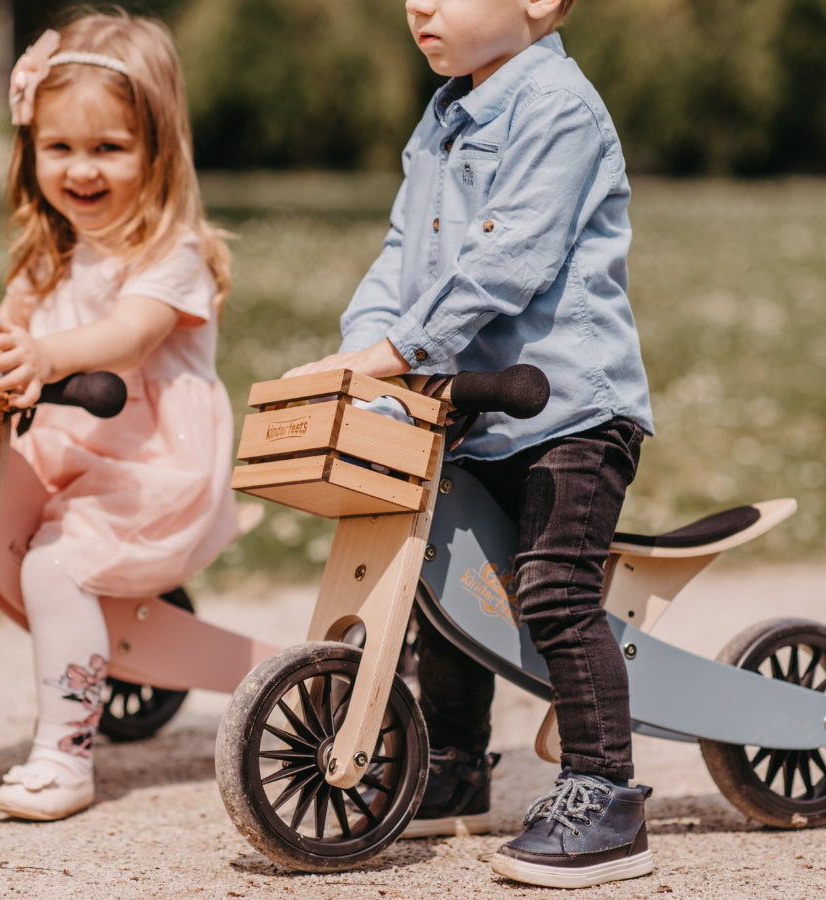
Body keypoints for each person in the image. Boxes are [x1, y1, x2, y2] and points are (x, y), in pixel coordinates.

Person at [284, 0, 655, 888]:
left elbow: (507, 256)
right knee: (440, 590)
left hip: (568, 413)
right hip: (471, 409)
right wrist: (361, 350)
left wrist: (402, 350)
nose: (420, 3)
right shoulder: (445, 114)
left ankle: (606, 792)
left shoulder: (560, 106)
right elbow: (404, 249)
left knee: (555, 591)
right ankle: (452, 769)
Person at [0, 9, 238, 822]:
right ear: (30, 149)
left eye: (109, 148)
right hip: (69, 454)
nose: (81, 170)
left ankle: (64, 755)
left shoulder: (172, 254)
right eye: (60, 147)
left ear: (157, 151)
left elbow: (126, 339)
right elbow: (3, 331)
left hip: (150, 465)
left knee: (53, 568)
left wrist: (49, 358)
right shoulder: (50, 253)